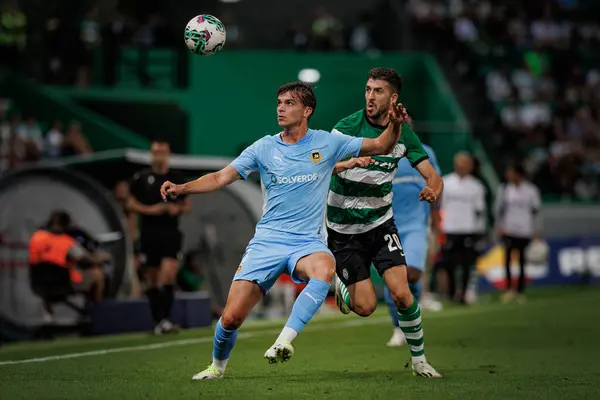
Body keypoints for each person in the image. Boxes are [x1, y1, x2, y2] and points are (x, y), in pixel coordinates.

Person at [160, 81, 405, 380]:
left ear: (307, 110)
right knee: (231, 317)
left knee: (325, 268)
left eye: (289, 103)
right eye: (279, 102)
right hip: (267, 241)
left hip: (307, 241)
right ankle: (216, 367)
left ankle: (283, 341)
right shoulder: (263, 147)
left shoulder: (328, 142)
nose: (281, 107)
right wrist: (182, 188)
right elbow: (221, 177)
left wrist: (394, 122)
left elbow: (382, 144)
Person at [329, 68, 443, 378]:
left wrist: (433, 189)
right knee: (365, 308)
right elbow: (325, 166)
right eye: (367, 89)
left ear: (393, 97)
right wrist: (347, 163)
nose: (369, 96)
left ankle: (420, 360)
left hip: (381, 224)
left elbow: (432, 174)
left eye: (378, 91)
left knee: (402, 293)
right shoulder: (346, 128)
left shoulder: (406, 134)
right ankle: (341, 282)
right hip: (345, 228)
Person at [384, 114, 444, 348]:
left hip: (416, 224)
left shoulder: (425, 152)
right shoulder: (383, 153)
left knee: (414, 273)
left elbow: (436, 183)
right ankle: (398, 327)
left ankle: (411, 315)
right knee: (394, 277)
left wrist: (437, 214)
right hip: (388, 225)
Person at [129, 140, 191, 335]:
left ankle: (165, 319)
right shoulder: (141, 178)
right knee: (152, 278)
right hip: (149, 232)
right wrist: (151, 210)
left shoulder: (175, 177)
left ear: (168, 154)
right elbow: (130, 205)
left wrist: (174, 209)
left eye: (162, 152)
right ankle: (159, 321)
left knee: (168, 273)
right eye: (155, 152)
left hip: (170, 233)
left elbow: (187, 206)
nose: (159, 156)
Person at [439, 152, 486, 304]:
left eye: (465, 164)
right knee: (448, 263)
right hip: (449, 228)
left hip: (468, 228)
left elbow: (480, 210)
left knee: (467, 264)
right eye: (460, 164)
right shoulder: (446, 182)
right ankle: (452, 292)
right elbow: (441, 206)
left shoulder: (476, 186)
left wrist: (480, 230)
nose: (463, 167)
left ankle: (464, 294)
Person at [494, 163, 541, 304]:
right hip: (509, 229)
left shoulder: (531, 190)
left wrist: (537, 229)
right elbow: (499, 210)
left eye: (511, 173)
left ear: (519, 174)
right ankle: (509, 289)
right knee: (507, 259)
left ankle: (520, 290)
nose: (509, 176)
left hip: (524, 229)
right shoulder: (505, 189)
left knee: (521, 261)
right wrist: (499, 226)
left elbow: (536, 211)